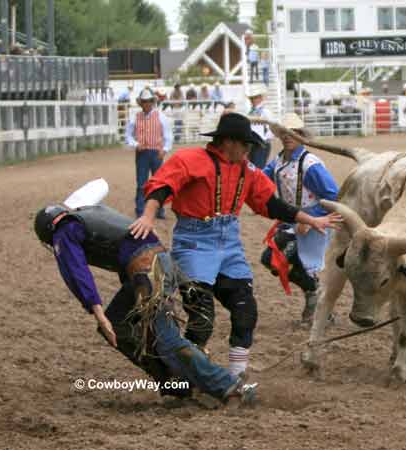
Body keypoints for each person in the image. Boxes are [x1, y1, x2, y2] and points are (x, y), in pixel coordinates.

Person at [128, 113, 342, 378]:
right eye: (245, 144)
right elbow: (162, 187)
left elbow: (270, 203)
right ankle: (191, 375)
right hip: (194, 243)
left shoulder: (247, 170)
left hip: (229, 245)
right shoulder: (189, 160)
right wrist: (148, 216)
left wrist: (309, 218)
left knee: (246, 312)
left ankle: (237, 376)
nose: (249, 150)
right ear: (228, 142)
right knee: (202, 320)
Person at [33, 180, 257, 405]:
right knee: (120, 325)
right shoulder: (84, 214)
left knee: (164, 337)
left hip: (148, 270)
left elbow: (76, 271)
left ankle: (228, 386)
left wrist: (97, 312)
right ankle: (176, 384)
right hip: (155, 264)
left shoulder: (63, 231)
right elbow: (101, 188)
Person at [261, 113, 340, 324]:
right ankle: (314, 295)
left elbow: (333, 195)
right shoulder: (278, 161)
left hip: (313, 222)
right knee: (271, 259)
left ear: (302, 135)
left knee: (282, 259)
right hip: (294, 220)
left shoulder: (310, 164)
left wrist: (310, 219)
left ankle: (317, 300)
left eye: (294, 132)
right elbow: (259, 178)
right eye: (285, 132)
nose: (288, 136)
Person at [125, 89, 172, 218]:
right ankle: (140, 210)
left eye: (149, 101)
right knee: (141, 183)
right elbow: (128, 136)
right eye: (144, 101)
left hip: (156, 152)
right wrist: (135, 144)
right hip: (142, 152)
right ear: (141, 103)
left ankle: (159, 210)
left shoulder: (160, 116)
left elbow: (168, 135)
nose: (147, 104)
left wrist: (165, 149)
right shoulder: (135, 117)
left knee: (159, 182)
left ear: (152, 102)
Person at [247, 84, 274, 169]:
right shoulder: (250, 112)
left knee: (257, 168)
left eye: (255, 97)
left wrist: (265, 139)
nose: (253, 100)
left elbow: (272, 127)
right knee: (252, 167)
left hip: (261, 143)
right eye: (252, 98)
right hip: (252, 143)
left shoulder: (265, 112)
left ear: (260, 98)